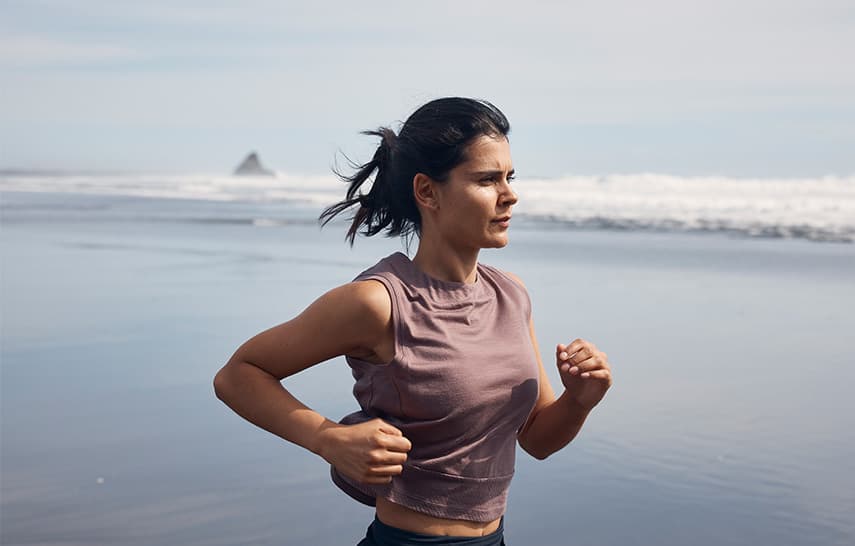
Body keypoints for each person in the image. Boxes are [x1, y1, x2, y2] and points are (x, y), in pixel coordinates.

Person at [213, 97, 613, 545]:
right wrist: (328, 439)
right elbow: (238, 375)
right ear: (427, 192)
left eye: (509, 177)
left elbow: (537, 440)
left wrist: (579, 400)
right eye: (487, 179)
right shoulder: (380, 302)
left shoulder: (511, 294)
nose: (510, 194)